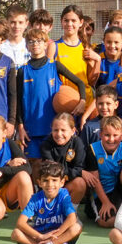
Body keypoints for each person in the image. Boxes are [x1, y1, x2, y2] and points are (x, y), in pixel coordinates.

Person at [14, 28, 88, 158]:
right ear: (26, 46)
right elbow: (18, 101)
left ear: (46, 43)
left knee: (55, 165)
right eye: (31, 42)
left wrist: (82, 101)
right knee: (35, 165)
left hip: (54, 129)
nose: (35, 44)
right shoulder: (22, 71)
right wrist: (20, 126)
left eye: (39, 41)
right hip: (31, 129)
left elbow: (80, 83)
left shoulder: (55, 66)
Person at [13, 161, 82, 244]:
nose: (50, 185)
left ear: (62, 182)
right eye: (45, 180)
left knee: (77, 227)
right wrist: (41, 236)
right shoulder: (35, 199)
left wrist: (54, 236)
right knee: (16, 233)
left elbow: (72, 218)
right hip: (39, 237)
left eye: (54, 180)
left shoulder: (64, 195)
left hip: (58, 237)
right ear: (39, 182)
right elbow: (20, 223)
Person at [87, 115, 122, 228]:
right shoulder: (92, 150)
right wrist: (105, 202)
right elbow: (94, 179)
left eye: (115, 135)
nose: (111, 139)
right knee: (106, 222)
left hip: (119, 191)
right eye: (107, 135)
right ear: (100, 134)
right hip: (101, 192)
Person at [55, 5, 101, 119]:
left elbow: (91, 81)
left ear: (81, 22)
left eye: (73, 20)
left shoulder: (85, 48)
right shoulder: (55, 47)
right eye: (66, 20)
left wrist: (97, 61)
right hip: (65, 104)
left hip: (85, 103)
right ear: (61, 22)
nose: (69, 24)